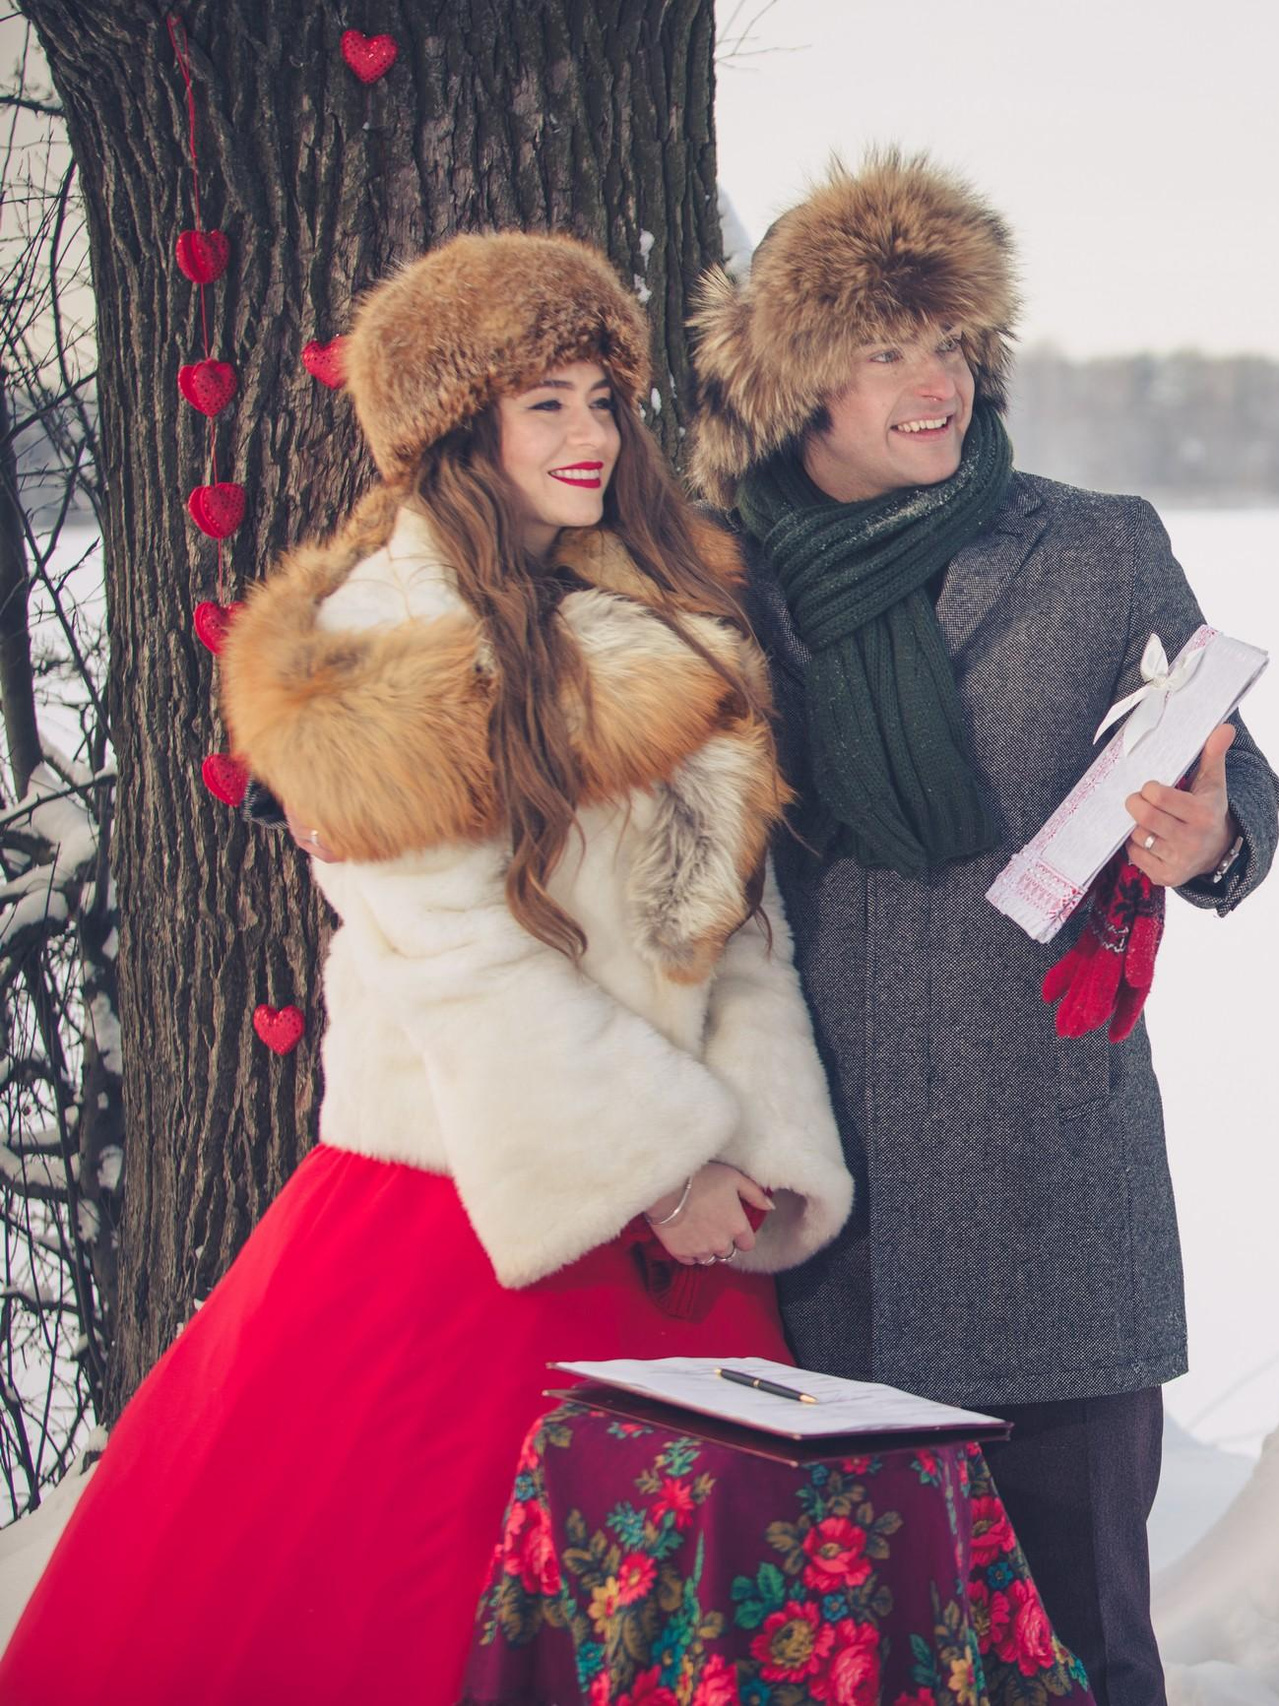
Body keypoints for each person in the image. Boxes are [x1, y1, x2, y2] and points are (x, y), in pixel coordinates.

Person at [0, 232, 853, 1705]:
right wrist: (665, 1167)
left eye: (604, 398)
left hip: (684, 1233)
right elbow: (461, 957)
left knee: (677, 1632)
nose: (591, 435)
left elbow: (733, 921)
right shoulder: (378, 647)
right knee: (410, 1609)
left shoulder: (665, 613)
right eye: (545, 403)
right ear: (459, 428)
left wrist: (760, 1150)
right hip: (472, 1204)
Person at [684, 152, 1279, 1706]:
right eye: (888, 350)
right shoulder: (721, 581)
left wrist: (1213, 835)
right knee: (850, 1650)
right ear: (804, 380)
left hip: (1048, 1179)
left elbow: (1235, 770)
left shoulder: (1094, 545)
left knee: (1080, 1648)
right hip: (830, 1206)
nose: (935, 382)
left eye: (952, 342)